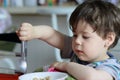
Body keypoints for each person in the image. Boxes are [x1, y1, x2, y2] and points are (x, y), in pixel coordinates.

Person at [16, 0, 120, 80]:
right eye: (75, 35)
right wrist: (33, 31)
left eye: (85, 37)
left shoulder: (111, 67)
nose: (77, 41)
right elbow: (52, 34)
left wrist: (65, 66)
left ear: (108, 39)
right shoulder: (77, 51)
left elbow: (91, 77)